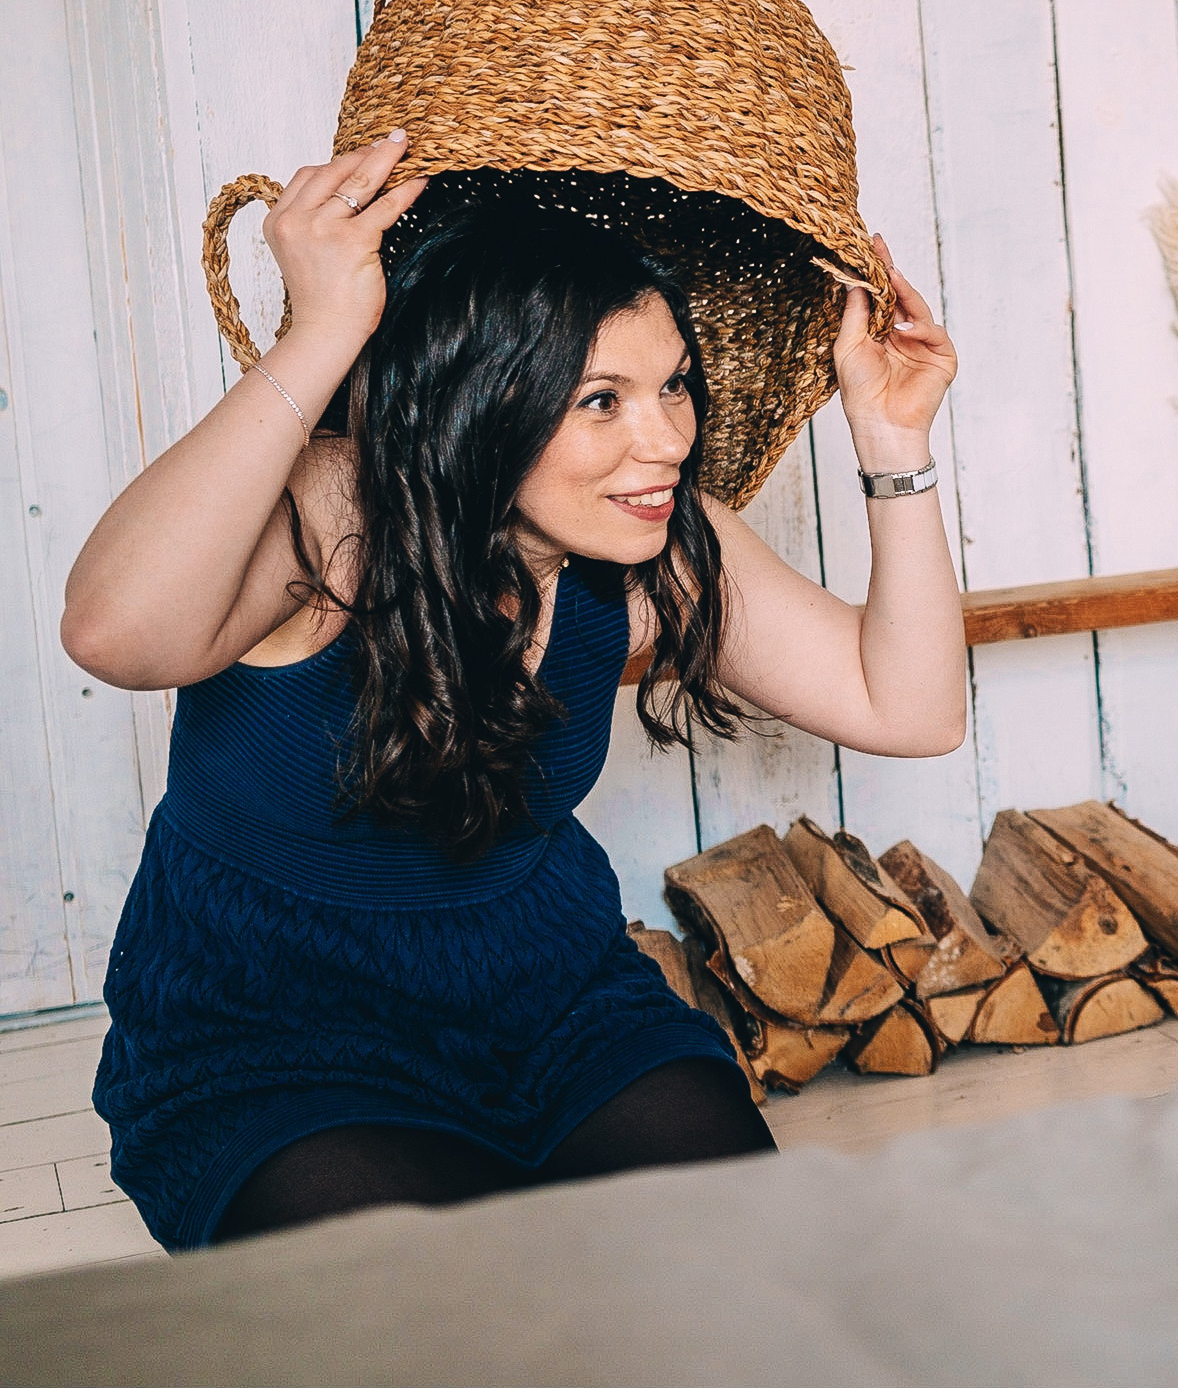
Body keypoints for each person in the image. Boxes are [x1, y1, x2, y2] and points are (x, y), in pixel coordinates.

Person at [61, 132, 966, 1246]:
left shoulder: (656, 546)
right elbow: (113, 633)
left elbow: (911, 709)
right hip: (278, 1036)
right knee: (446, 1320)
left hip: (552, 1006)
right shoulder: (340, 512)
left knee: (741, 1267)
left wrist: (893, 441)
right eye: (601, 400)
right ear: (478, 402)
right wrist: (324, 329)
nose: (667, 439)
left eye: (673, 384)